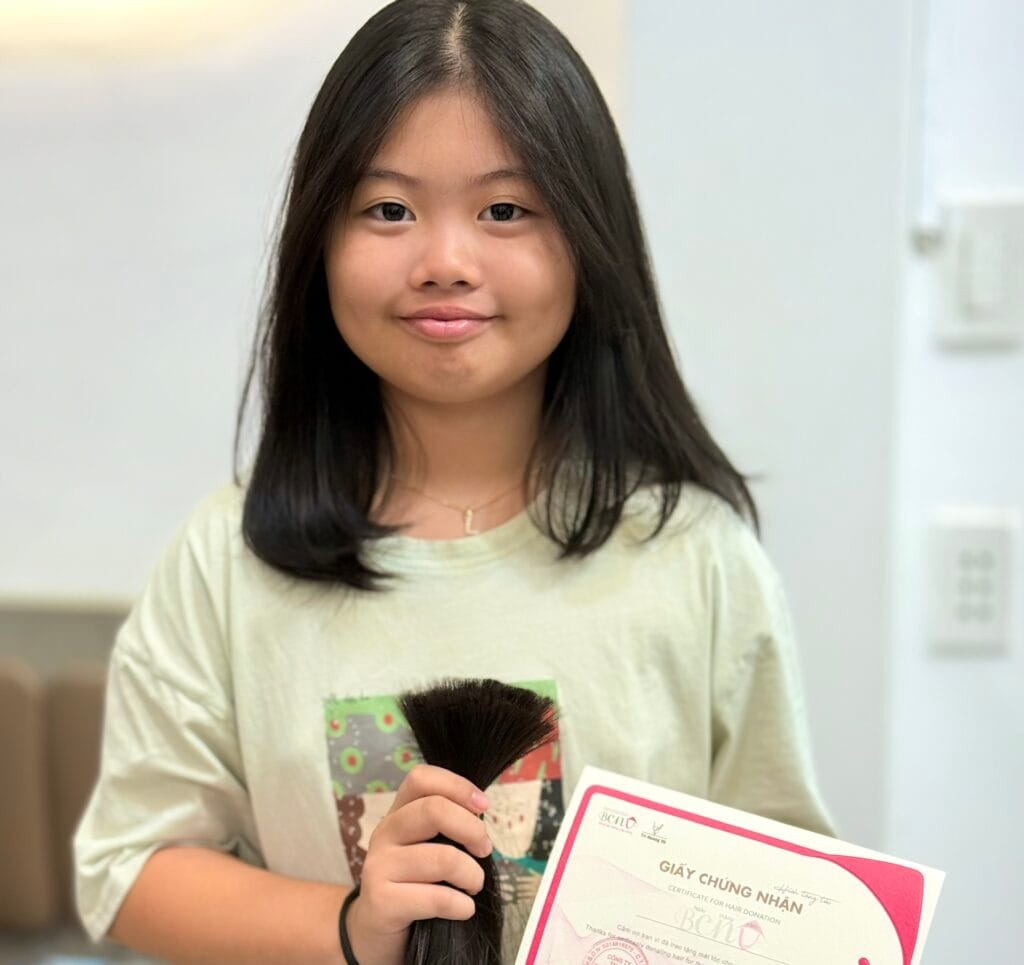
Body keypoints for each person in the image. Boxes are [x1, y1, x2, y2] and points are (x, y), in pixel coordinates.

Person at [73, 1, 834, 962]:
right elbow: (134, 869)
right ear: (321, 241)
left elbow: (791, 892)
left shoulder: (697, 558)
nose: (445, 262)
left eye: (505, 210)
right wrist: (352, 924)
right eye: (388, 209)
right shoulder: (226, 565)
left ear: (590, 240)